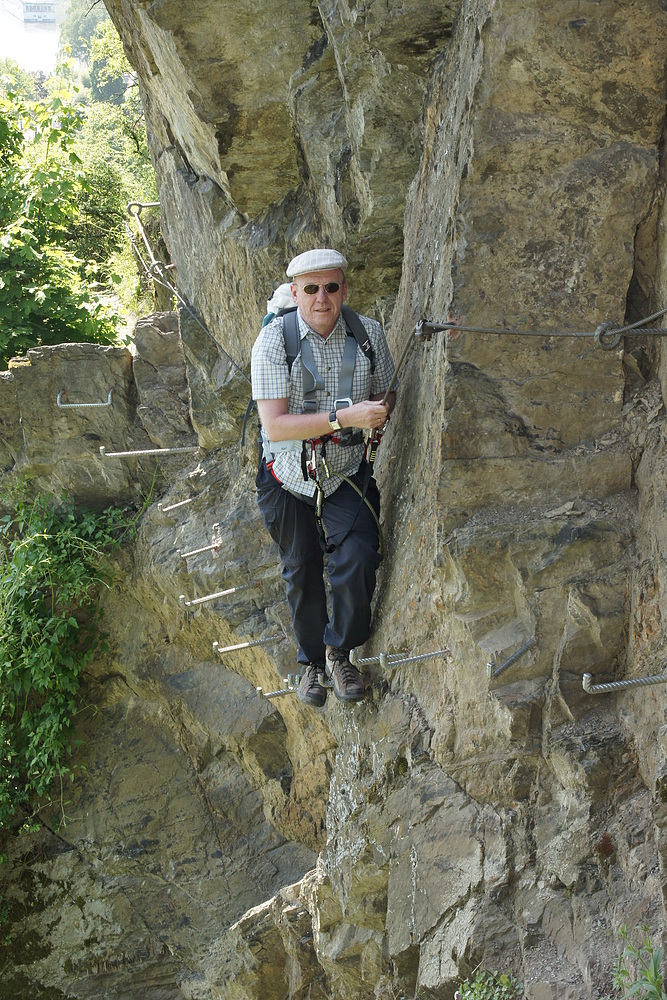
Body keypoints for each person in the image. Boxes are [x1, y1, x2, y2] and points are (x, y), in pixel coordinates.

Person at [251, 248, 396, 707]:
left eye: (331, 287)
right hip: (286, 472)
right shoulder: (274, 342)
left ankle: (340, 652)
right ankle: (311, 663)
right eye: (310, 289)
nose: (321, 298)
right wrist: (347, 417)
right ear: (295, 294)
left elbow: (386, 389)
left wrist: (379, 412)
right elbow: (275, 426)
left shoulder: (367, 333)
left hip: (346, 471)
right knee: (302, 568)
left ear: (344, 290)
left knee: (357, 557)